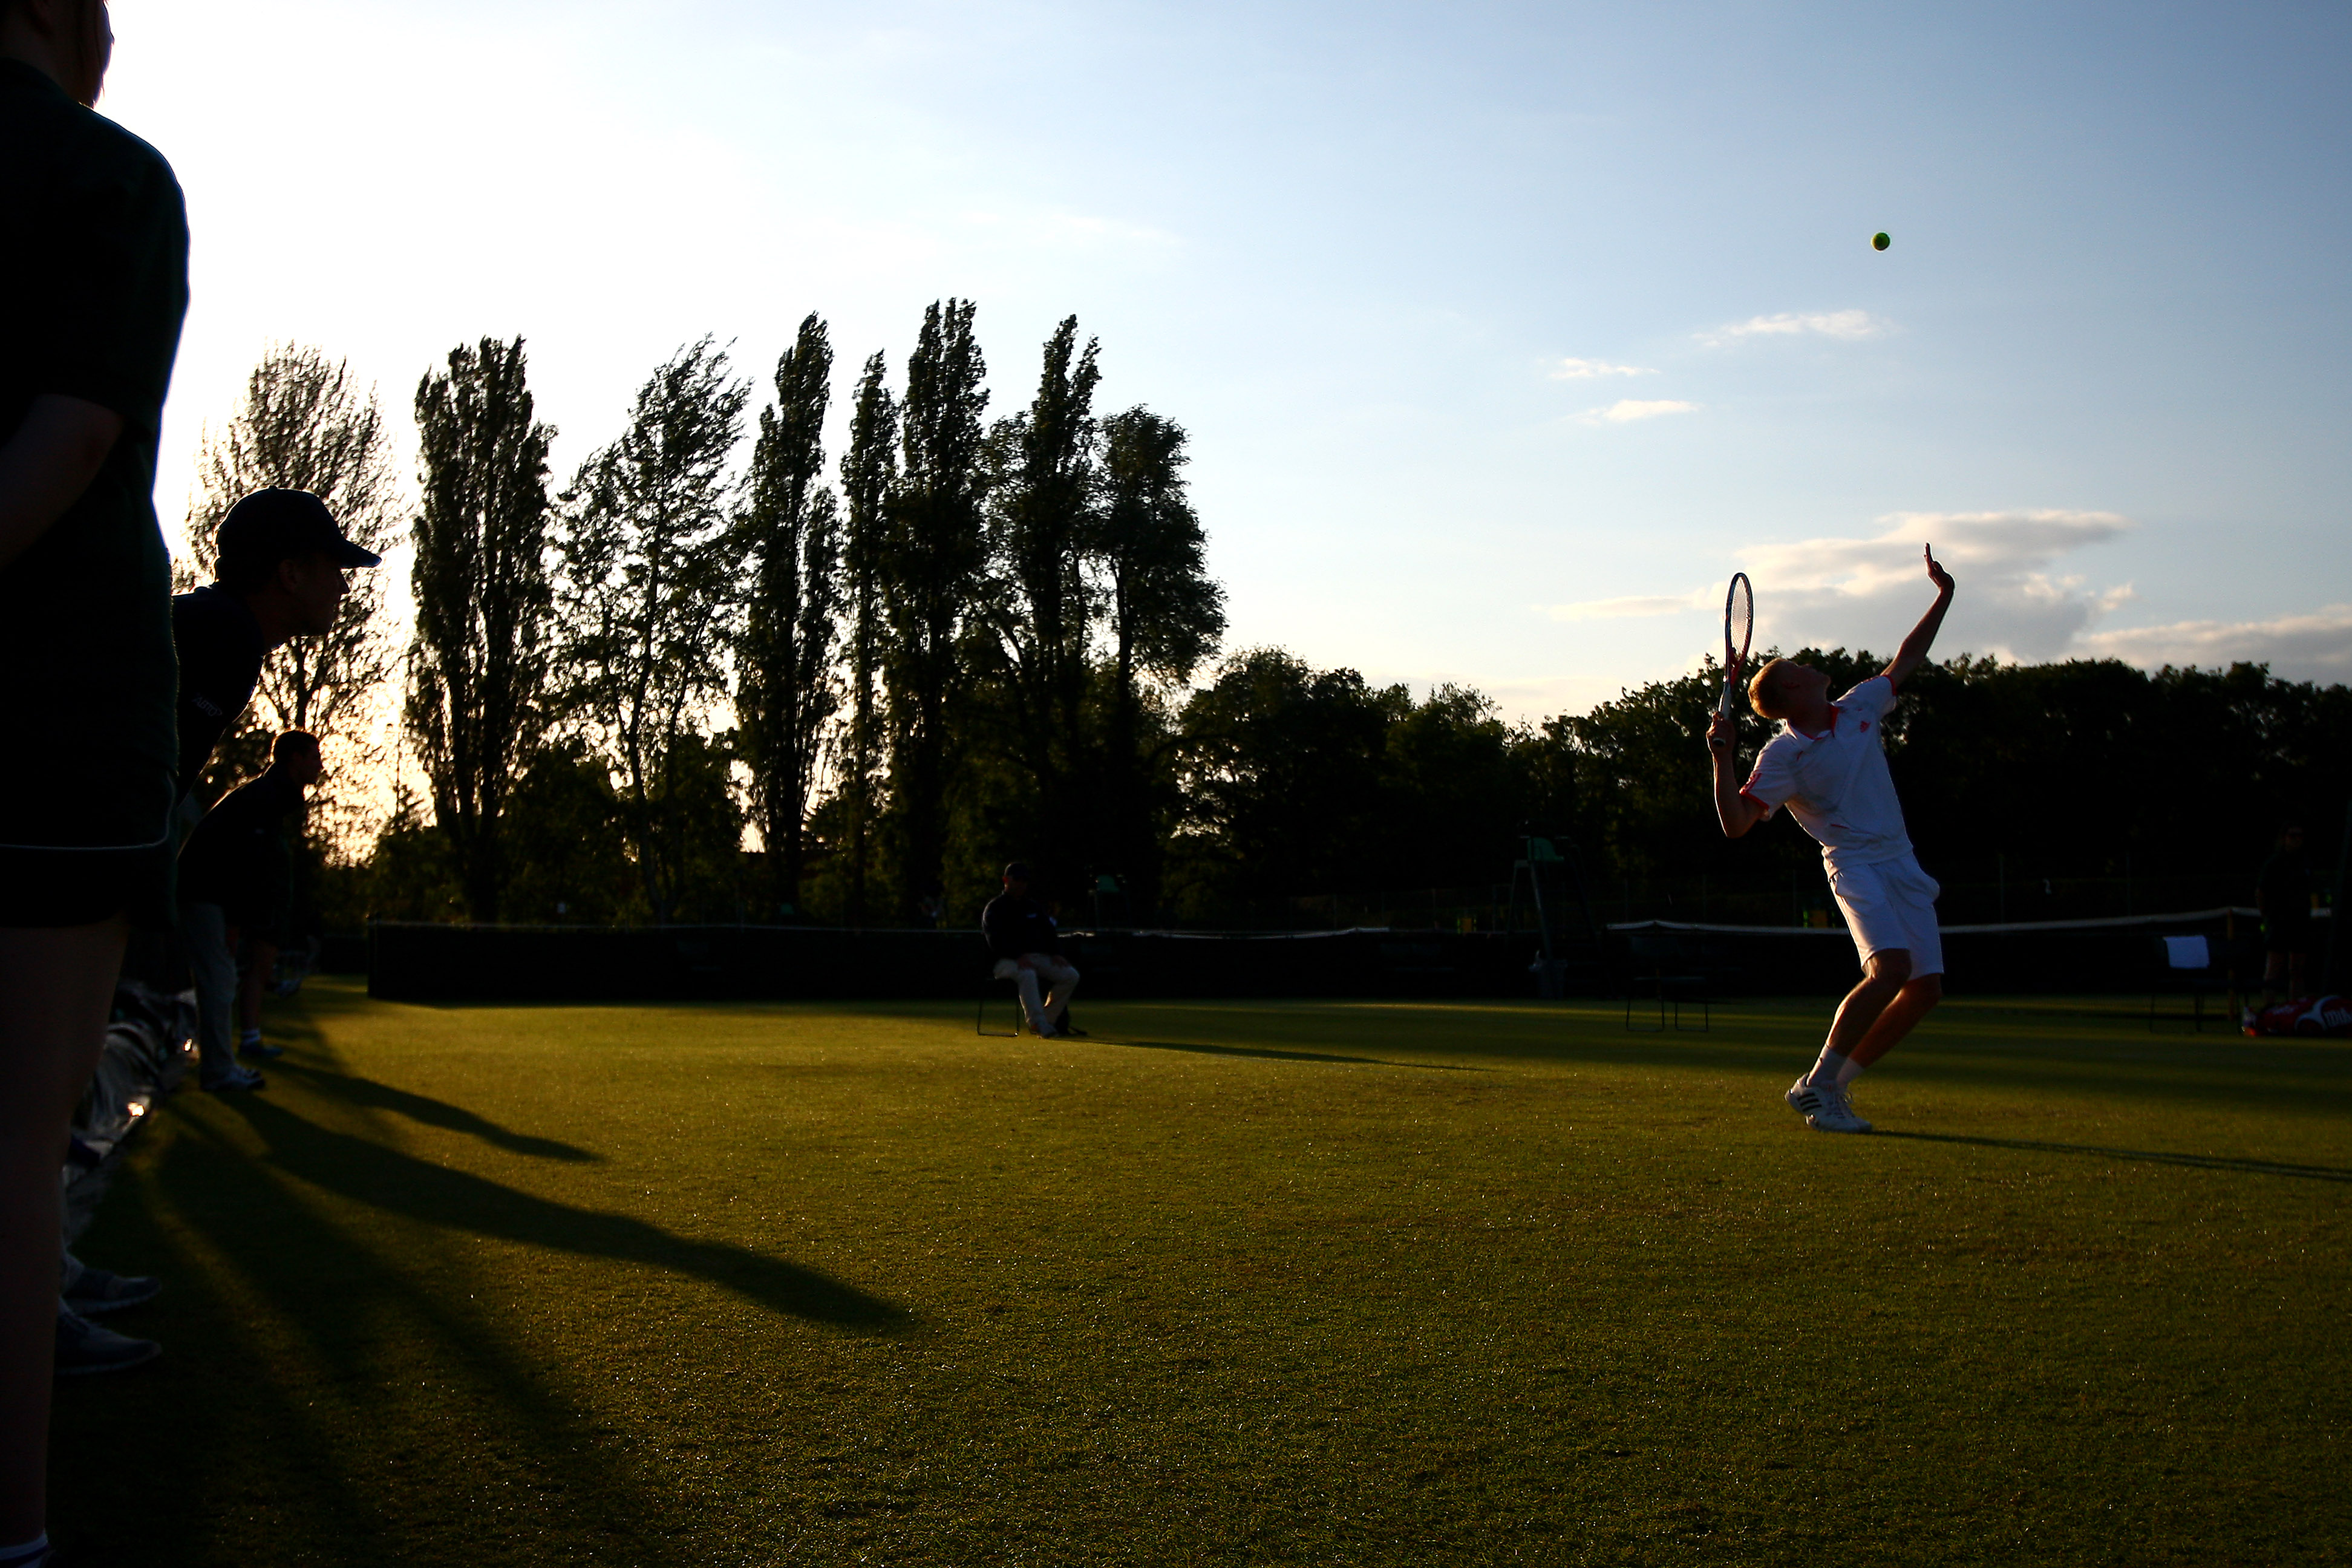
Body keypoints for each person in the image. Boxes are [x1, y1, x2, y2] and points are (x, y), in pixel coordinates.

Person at [0, 0, 189, 1557]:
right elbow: (65, 444)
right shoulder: (105, 177)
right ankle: (13, 1530)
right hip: (50, 715)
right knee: (9, 1133)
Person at [1707, 544, 1956, 1134]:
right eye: (1799, 670)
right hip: (1856, 866)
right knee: (1889, 969)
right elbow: (1736, 825)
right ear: (1792, 696)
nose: (1814, 667)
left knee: (1925, 991)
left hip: (1902, 862)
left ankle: (1830, 1090)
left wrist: (1944, 596)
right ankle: (1815, 1085)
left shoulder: (1862, 705)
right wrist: (1721, 762)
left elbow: (1908, 658)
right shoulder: (1784, 754)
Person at [173, 486, 377, 809]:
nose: (344, 587)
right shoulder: (222, 642)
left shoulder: (219, 629)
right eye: (335, 569)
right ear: (291, 574)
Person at [178, 731, 322, 1087]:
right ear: (295, 759)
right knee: (219, 979)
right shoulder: (268, 796)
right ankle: (217, 1071)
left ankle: (218, 1066)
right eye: (314, 756)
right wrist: (234, 921)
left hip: (208, 889)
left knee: (220, 978)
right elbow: (240, 863)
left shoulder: (276, 794)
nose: (320, 764)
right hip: (202, 888)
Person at [982, 862, 1080, 1038]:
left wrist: (1057, 953)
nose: (1021, 884)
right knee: (1027, 973)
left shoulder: (1033, 907)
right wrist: (1017, 956)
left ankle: (1047, 1021)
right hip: (1004, 961)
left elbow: (1049, 932)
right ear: (1006, 880)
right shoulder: (995, 908)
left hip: (1035, 957)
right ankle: (1037, 1023)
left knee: (1071, 975)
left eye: (1025, 880)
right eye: (1017, 879)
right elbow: (994, 940)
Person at [2257, 823, 2312, 1008]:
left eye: (2300, 836)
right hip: (2279, 922)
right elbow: (2261, 892)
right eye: (2292, 835)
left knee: (2297, 969)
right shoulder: (2274, 863)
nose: (2297, 839)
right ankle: (2269, 1008)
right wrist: (2267, 916)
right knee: (2274, 967)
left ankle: (2296, 1008)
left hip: (2300, 922)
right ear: (2284, 838)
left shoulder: (2305, 862)